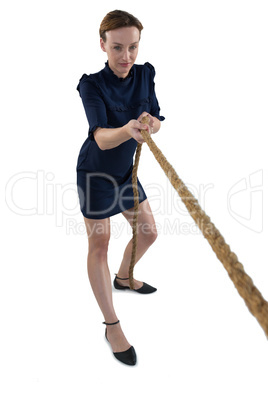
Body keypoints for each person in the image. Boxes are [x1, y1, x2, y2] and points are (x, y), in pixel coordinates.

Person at [76, 10, 165, 365]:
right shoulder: (91, 84)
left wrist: (150, 125)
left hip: (125, 172)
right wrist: (127, 130)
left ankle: (124, 276)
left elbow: (156, 116)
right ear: (103, 45)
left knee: (149, 232)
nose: (126, 57)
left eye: (132, 47)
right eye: (117, 48)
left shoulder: (145, 74)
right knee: (100, 244)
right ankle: (112, 324)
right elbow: (99, 137)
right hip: (95, 173)